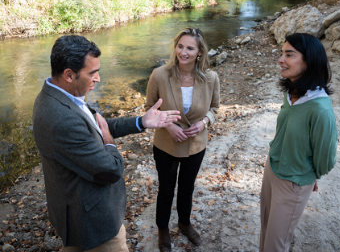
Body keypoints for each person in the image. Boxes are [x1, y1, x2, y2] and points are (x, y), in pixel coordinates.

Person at [32, 35, 181, 252]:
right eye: (92, 73)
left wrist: (141, 122)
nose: (98, 79)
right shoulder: (62, 118)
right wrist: (110, 144)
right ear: (69, 74)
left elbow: (97, 127)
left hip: (74, 212)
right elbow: (111, 169)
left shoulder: (57, 94)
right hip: (94, 225)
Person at [259, 33, 338, 252]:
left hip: (293, 182)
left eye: (289, 54)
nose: (280, 59)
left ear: (308, 62)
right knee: (265, 231)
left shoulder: (320, 109)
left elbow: (327, 158)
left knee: (276, 244)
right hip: (272, 168)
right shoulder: (291, 91)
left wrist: (310, 175)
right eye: (282, 53)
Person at [145, 27, 220, 251]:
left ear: (199, 52)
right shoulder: (159, 74)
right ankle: (163, 229)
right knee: (166, 189)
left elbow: (215, 108)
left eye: (189, 48)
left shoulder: (211, 77)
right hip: (166, 144)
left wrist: (204, 122)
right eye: (180, 46)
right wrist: (168, 125)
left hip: (196, 144)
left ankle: (185, 224)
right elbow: (149, 108)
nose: (183, 52)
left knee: (187, 187)